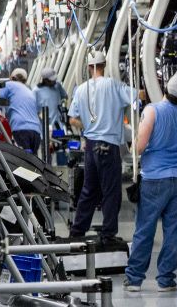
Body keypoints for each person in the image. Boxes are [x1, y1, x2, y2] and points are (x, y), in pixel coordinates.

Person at [124, 68, 177, 292]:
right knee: (173, 231)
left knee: (145, 228)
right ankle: (166, 280)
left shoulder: (152, 111)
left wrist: (131, 140)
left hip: (155, 180)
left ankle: (134, 279)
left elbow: (140, 146)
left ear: (165, 87)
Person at [68, 50, 139, 244]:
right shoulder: (114, 86)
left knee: (88, 190)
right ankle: (108, 234)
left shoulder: (80, 89)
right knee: (111, 191)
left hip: (91, 147)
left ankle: (77, 231)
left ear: (90, 68)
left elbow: (73, 119)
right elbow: (137, 97)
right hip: (109, 145)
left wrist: (90, 125)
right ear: (104, 66)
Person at [0, 68, 42, 154]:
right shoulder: (29, 91)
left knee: (23, 161)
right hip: (36, 131)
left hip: (21, 128)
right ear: (25, 80)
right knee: (33, 163)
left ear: (11, 77)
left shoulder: (9, 85)